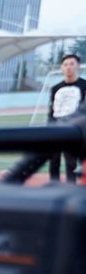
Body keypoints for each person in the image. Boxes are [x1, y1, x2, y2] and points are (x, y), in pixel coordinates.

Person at [48, 53, 86, 183]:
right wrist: (49, 126)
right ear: (62, 68)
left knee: (71, 162)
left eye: (71, 64)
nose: (68, 67)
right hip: (56, 127)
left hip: (74, 128)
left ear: (78, 66)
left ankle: (72, 187)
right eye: (65, 65)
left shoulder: (84, 85)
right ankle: (54, 186)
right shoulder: (55, 88)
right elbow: (51, 110)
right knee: (54, 161)